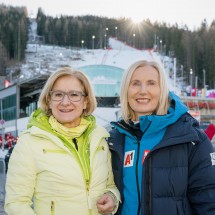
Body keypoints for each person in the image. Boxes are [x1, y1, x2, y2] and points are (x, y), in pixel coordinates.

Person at [5, 67, 120, 215]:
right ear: (49, 100)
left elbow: (110, 185)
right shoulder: (29, 142)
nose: (65, 102)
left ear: (85, 101)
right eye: (58, 94)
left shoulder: (100, 139)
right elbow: (16, 203)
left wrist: (112, 197)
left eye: (74, 94)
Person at [108, 59, 215, 215]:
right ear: (126, 90)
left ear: (162, 90)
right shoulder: (114, 138)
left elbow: (208, 201)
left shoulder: (192, 138)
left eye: (151, 83)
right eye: (135, 83)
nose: (143, 90)